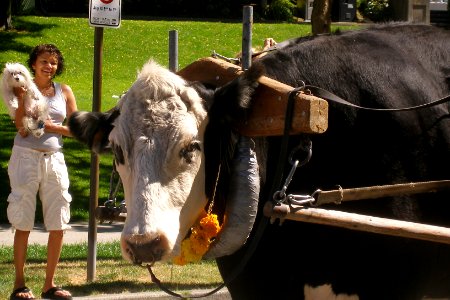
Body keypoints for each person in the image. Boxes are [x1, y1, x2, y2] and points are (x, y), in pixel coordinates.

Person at [7, 44, 77, 300]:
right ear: (33, 64)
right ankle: (19, 285)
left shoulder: (64, 91)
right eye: (44, 61)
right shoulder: (21, 88)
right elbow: (22, 128)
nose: (49, 66)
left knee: (59, 221)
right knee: (22, 220)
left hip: (54, 159)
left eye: (54, 62)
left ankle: (50, 285)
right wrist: (23, 98)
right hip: (25, 158)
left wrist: (50, 127)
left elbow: (76, 128)